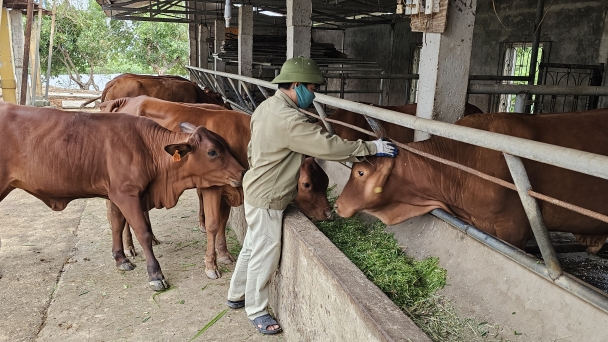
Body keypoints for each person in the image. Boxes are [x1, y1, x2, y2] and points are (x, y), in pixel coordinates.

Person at [226, 56, 397, 335]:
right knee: (266, 252)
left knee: (253, 245)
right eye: (313, 87)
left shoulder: (266, 107)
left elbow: (250, 149)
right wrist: (370, 148)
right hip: (269, 196)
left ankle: (236, 294)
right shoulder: (289, 119)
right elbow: (328, 147)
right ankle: (256, 310)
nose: (314, 93)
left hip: (255, 186)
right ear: (297, 85)